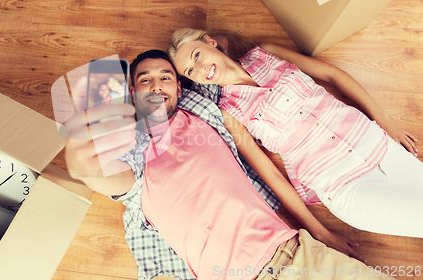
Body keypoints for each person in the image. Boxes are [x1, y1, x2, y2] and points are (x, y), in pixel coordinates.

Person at [64, 50, 396, 280]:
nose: (155, 85)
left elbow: (216, 53)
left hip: (303, 256)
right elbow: (107, 176)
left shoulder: (208, 116)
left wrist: (320, 233)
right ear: (132, 93)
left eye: (164, 77)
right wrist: (83, 163)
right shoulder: (134, 155)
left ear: (179, 88)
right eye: (144, 80)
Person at [168, 28, 423, 239]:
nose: (200, 69)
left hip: (380, 145)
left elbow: (331, 74)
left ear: (211, 42)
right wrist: (319, 232)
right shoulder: (228, 113)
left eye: (197, 56)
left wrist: (386, 122)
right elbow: (271, 175)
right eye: (190, 71)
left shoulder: (267, 52)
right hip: (344, 185)